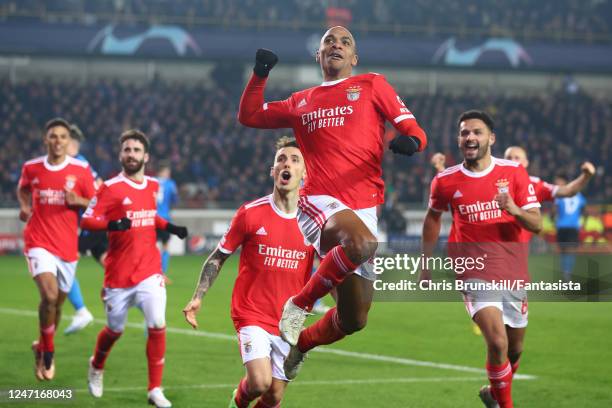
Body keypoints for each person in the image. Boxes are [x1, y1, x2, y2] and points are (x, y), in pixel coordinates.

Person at [238, 26, 427, 378]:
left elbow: (414, 128)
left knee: (354, 319)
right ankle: (300, 303)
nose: (336, 45)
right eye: (329, 41)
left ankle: (302, 344)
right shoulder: (301, 101)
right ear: (319, 55)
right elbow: (249, 115)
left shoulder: (372, 85)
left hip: (364, 209)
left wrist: (412, 143)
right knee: (362, 243)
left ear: (354, 58)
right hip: (319, 203)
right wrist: (260, 74)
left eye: (345, 42)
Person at [420, 110, 542, 408]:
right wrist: (425, 263)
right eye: (464, 133)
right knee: (497, 342)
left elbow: (537, 224)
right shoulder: (445, 181)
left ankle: (493, 393)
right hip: (472, 269)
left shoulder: (513, 173)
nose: (470, 137)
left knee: (514, 350)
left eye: (476, 132)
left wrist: (513, 209)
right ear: (459, 140)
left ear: (491, 138)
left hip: (512, 270)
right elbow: (432, 219)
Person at [183, 137, 315, 407]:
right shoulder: (250, 213)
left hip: (288, 321)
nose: (286, 164)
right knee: (259, 382)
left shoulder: (315, 221)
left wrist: (347, 307)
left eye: (294, 160)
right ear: (273, 171)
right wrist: (198, 296)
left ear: (305, 173)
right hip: (251, 312)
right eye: (280, 159)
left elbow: (328, 268)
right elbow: (218, 257)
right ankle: (237, 402)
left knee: (274, 395)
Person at [81, 130, 188, 408]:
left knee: (157, 324)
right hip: (118, 276)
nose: (131, 154)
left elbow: (149, 215)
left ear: (146, 156)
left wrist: (169, 227)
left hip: (149, 272)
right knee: (114, 330)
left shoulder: (154, 185)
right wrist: (111, 225)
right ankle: (97, 364)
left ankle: (154, 389)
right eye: (127, 150)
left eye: (136, 150)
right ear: (121, 155)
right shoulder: (109, 188)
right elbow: (87, 220)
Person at [17, 118, 96, 380]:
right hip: (38, 241)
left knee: (58, 305)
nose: (58, 141)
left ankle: (40, 345)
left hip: (67, 246)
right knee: (49, 296)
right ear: (45, 139)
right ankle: (49, 351)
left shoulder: (81, 169)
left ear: (68, 141)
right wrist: (26, 206)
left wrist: (79, 200)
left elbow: (96, 204)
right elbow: (23, 189)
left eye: (63, 136)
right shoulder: (32, 167)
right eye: (53, 136)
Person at [63, 124, 102, 334]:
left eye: (63, 140)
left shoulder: (76, 165)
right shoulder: (85, 163)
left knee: (63, 266)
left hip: (86, 226)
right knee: (113, 266)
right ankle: (149, 310)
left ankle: (81, 311)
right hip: (96, 224)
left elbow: (94, 196)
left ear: (72, 143)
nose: (58, 145)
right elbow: (101, 186)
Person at [553, 174, 587, 281]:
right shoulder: (579, 195)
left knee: (564, 251)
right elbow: (584, 211)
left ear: (565, 182)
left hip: (561, 226)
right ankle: (567, 272)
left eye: (558, 182)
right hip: (573, 227)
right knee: (570, 251)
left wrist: (553, 219)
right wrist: (582, 222)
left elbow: (554, 211)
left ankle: (565, 272)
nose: (557, 184)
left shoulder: (560, 195)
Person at [156, 161, 179, 275]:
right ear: (163, 172)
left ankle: (149, 272)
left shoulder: (151, 182)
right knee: (165, 246)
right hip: (164, 218)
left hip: (152, 218)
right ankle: (162, 274)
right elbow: (175, 200)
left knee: (151, 246)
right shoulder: (170, 184)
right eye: (167, 172)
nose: (168, 174)